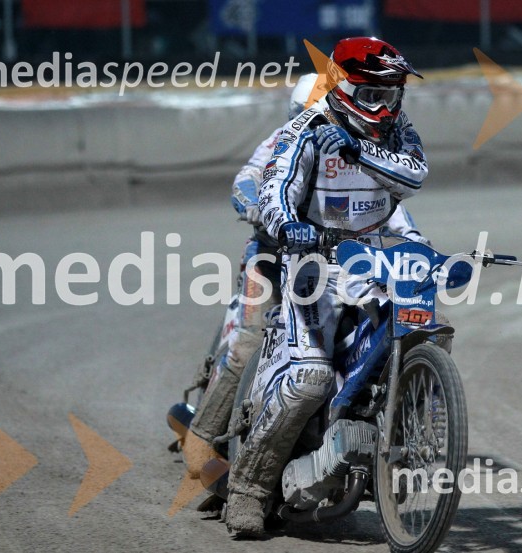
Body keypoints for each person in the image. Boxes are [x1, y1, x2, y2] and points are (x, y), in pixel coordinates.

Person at [182, 71, 430, 480]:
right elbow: (246, 182)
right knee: (248, 343)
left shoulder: (359, 148)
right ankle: (201, 440)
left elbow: (390, 208)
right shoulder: (285, 140)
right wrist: (259, 209)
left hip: (337, 264)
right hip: (271, 257)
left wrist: (415, 240)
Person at [226, 37, 427, 536]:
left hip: (374, 263)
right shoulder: (306, 131)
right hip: (313, 267)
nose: (385, 106)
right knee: (310, 378)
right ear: (343, 89)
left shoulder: (398, 130)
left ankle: (401, 440)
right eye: (373, 94)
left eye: (391, 94)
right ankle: (248, 491)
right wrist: (287, 226)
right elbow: (274, 189)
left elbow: (414, 177)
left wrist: (360, 152)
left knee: (419, 327)